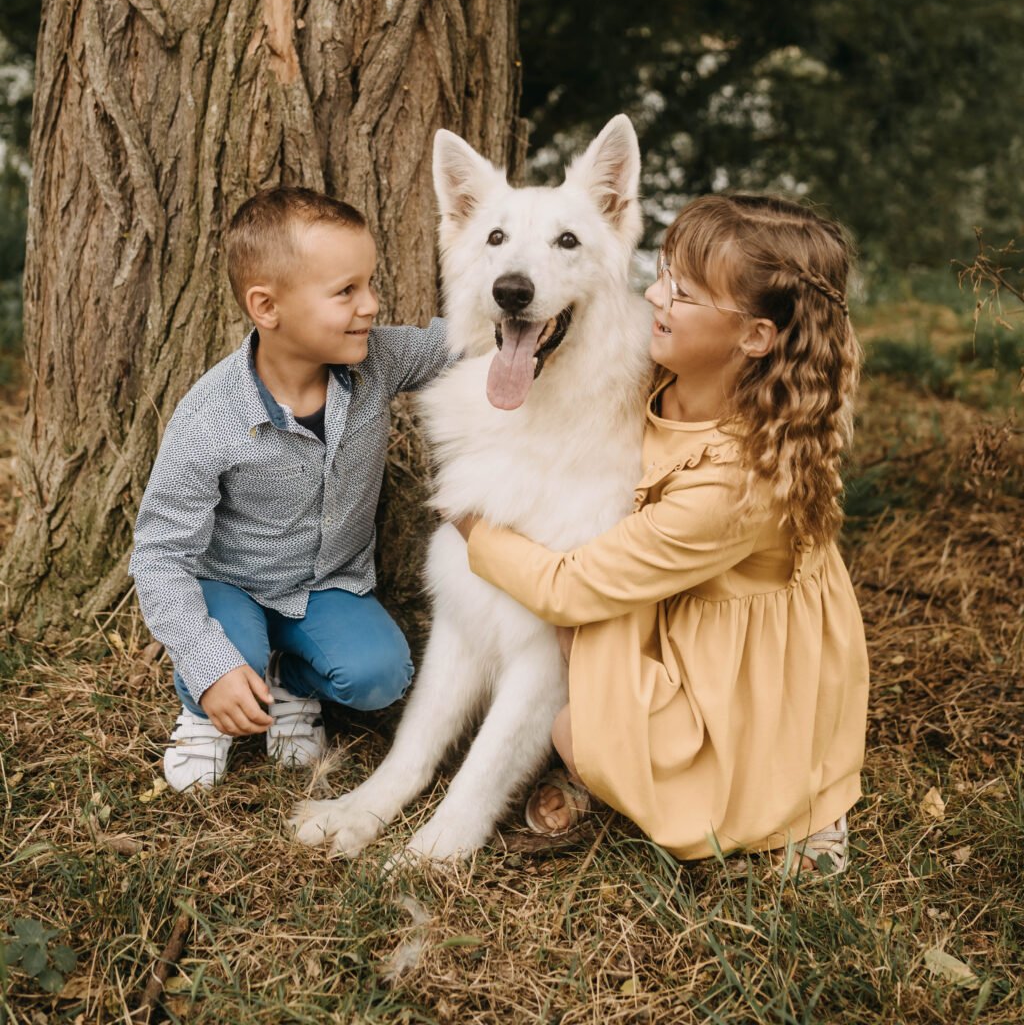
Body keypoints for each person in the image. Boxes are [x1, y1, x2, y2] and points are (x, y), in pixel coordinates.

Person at [455, 193, 869, 875]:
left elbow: (572, 588)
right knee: (588, 674)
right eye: (662, 273)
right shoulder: (659, 376)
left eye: (684, 292)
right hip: (669, 610)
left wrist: (468, 518)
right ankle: (624, 749)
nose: (653, 296)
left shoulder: (738, 484)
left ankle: (799, 807)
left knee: (577, 726)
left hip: (743, 677)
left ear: (755, 338)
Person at [130, 187, 452, 792]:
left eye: (370, 284)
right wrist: (207, 662)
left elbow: (456, 344)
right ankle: (204, 712)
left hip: (328, 584)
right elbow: (159, 556)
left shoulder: (376, 361)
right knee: (228, 657)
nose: (371, 305)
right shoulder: (210, 416)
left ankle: (292, 686)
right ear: (267, 307)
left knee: (381, 674)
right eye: (346, 292)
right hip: (232, 585)